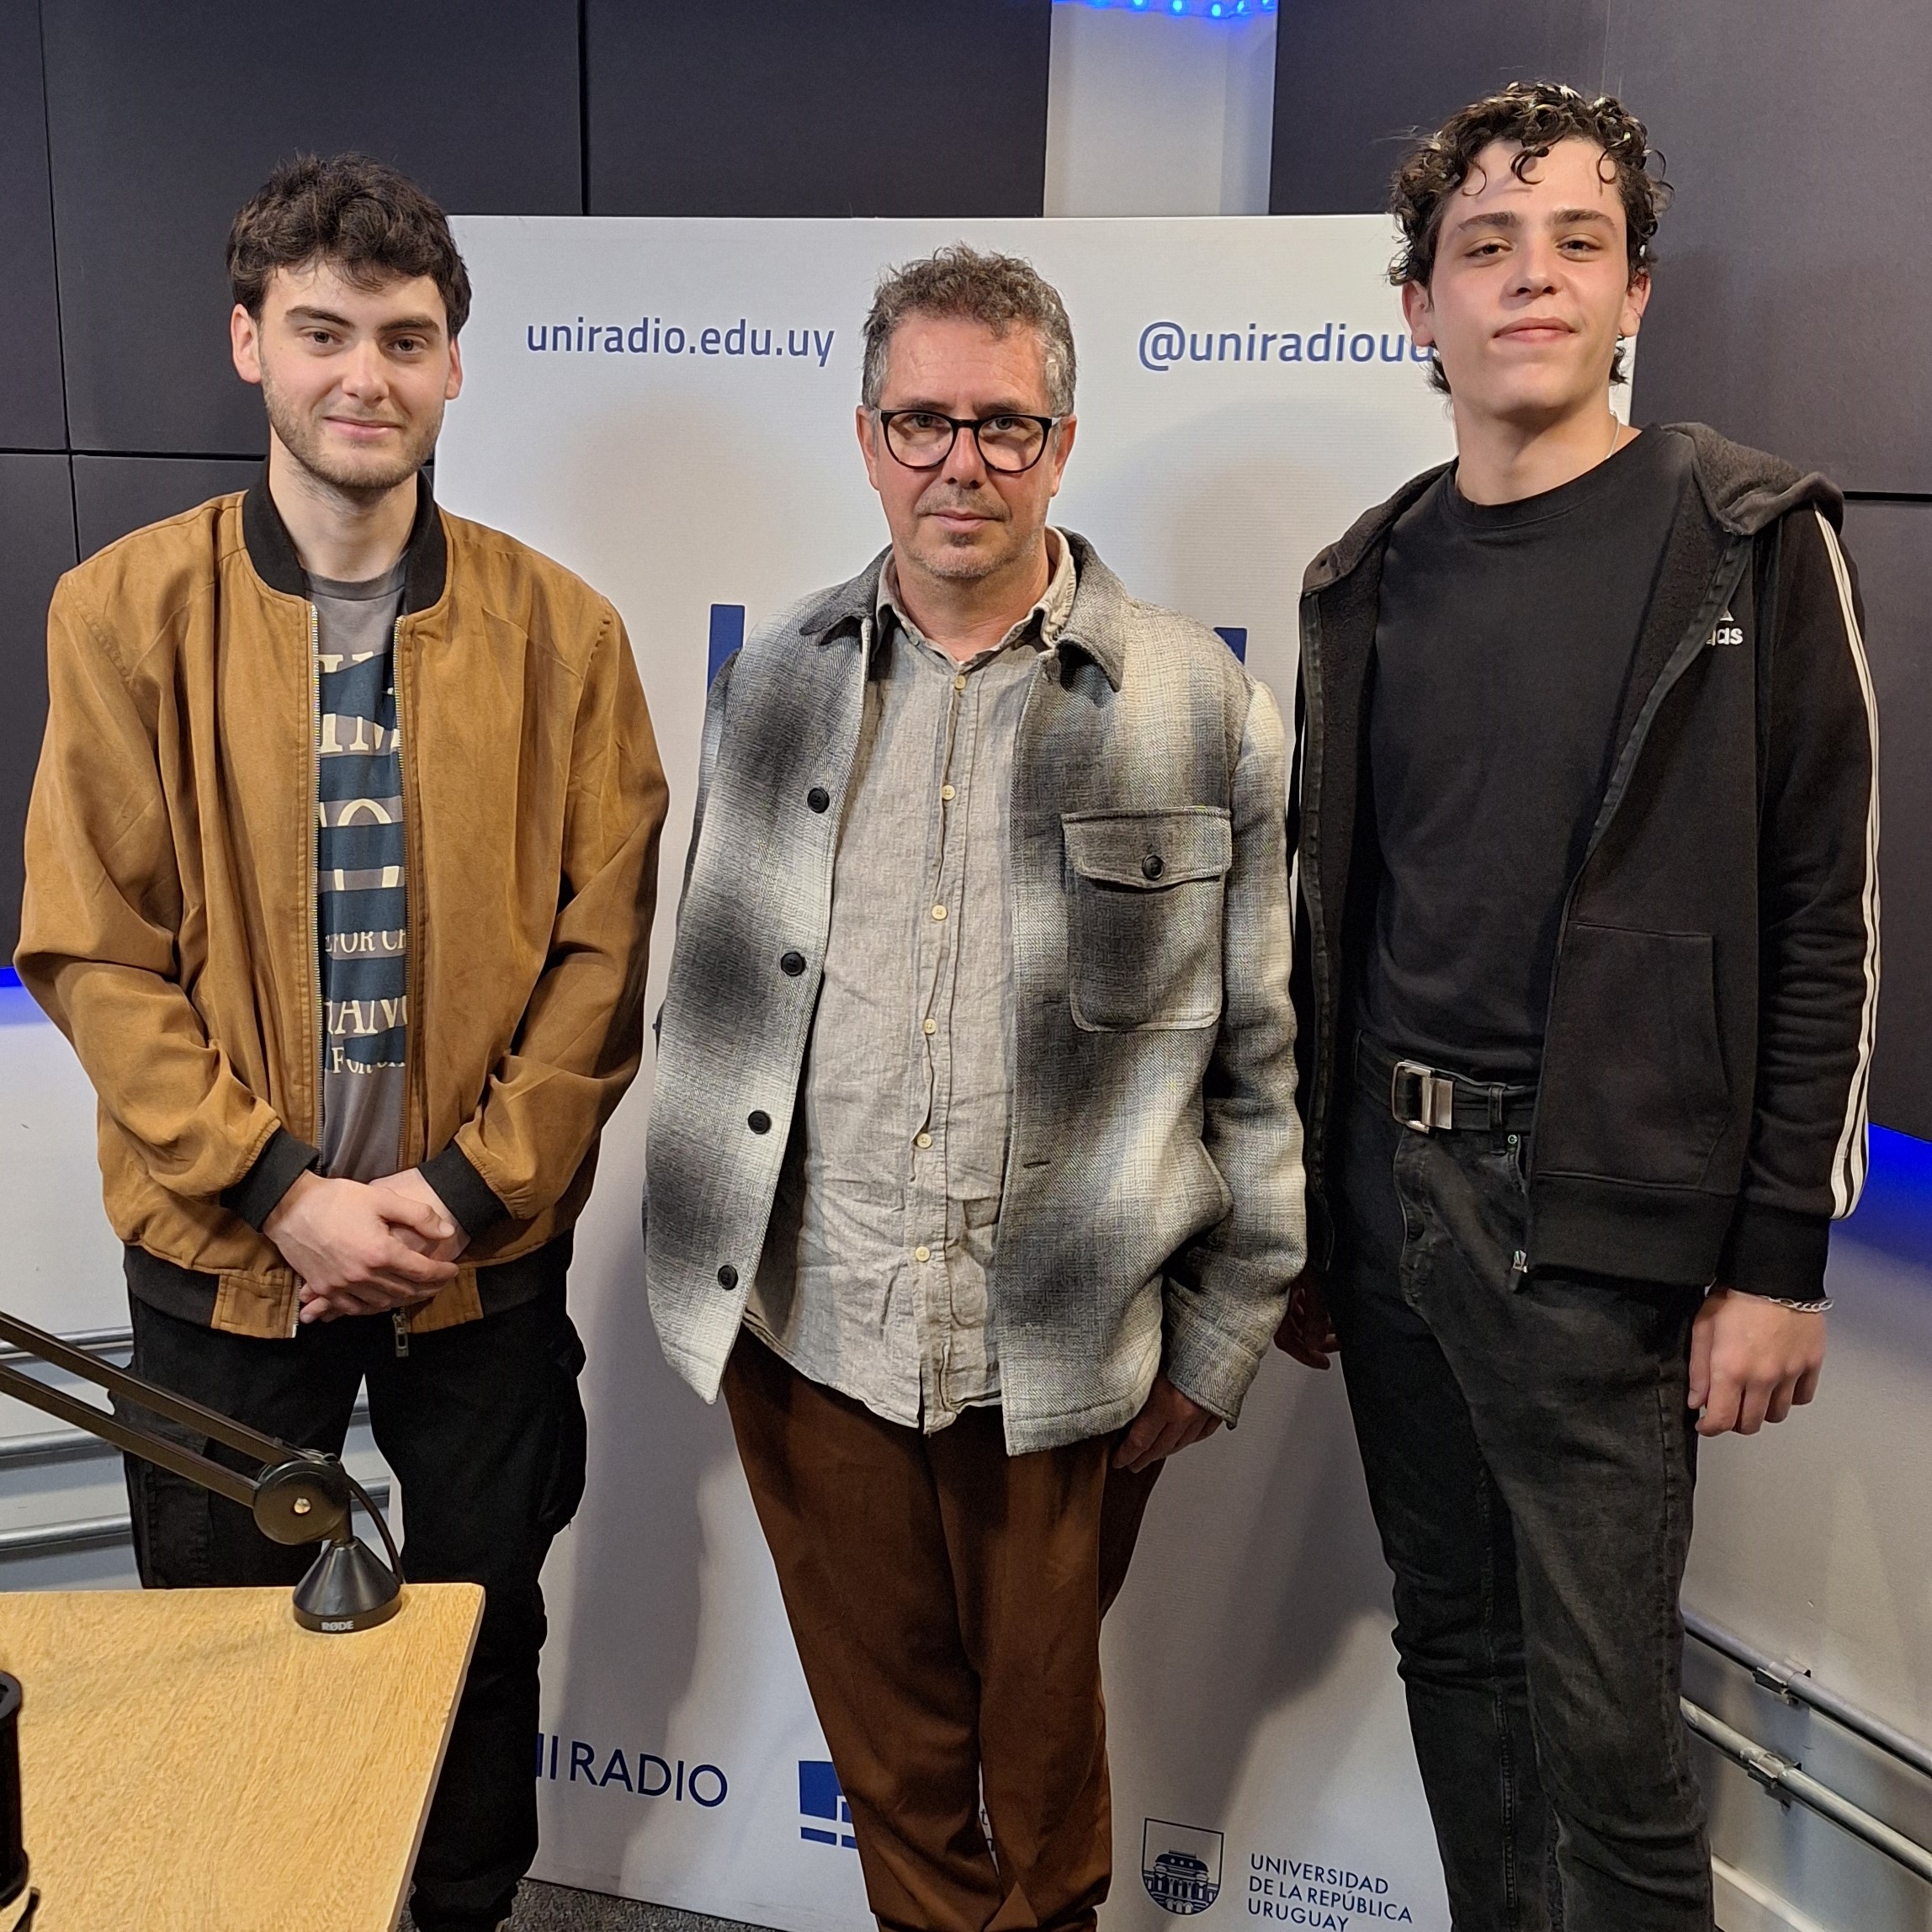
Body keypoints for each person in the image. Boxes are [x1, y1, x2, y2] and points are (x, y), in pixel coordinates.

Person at [16, 154, 666, 1932]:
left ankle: (461, 1914)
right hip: (226, 1254)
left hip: (478, 1260)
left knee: (482, 1631)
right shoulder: (121, 613)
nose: (363, 375)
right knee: (223, 1652)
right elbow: (94, 947)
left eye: (403, 336)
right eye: (322, 331)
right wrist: (284, 1193)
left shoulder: (565, 636)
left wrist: (459, 1191)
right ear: (249, 342)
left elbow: (601, 955)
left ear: (454, 360)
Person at [1276, 82, 1878, 1931]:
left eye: (1576, 242)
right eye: (1484, 245)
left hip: (1598, 1226)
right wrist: (1310, 1219)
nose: (1529, 277)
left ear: (1635, 293)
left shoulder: (1747, 538)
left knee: (1612, 1737)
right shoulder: (1361, 576)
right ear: (1418, 305)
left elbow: (1824, 917)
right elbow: (1332, 918)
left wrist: (1776, 1258)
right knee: (1453, 1654)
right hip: (1386, 1199)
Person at [645, 246, 1303, 1929]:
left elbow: (1258, 1053)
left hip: (1068, 1351)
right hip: (816, 1327)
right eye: (922, 422)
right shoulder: (772, 682)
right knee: (896, 1786)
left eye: (1003, 425)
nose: (962, 463)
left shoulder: (1197, 704)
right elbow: (709, 1005)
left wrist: (1223, 1335)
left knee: (1047, 1796)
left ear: (1060, 445)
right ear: (867, 438)